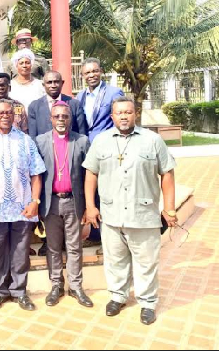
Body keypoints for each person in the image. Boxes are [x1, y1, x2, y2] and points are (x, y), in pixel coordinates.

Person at [82, 97, 177, 325]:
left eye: (128, 112)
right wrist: (90, 206)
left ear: (135, 114)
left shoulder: (152, 140)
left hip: (143, 215)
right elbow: (91, 174)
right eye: (119, 113)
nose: (124, 116)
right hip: (111, 215)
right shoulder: (101, 141)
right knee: (115, 261)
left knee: (146, 262)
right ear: (112, 117)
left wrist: (170, 209)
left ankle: (147, 302)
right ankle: (118, 296)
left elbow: (167, 173)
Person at [0, 99, 46, 311]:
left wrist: (35, 201)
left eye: (9, 112)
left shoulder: (25, 141)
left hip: (22, 208)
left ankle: (19, 291)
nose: (5, 116)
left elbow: (36, 174)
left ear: (14, 116)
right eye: (0, 113)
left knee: (20, 252)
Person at [35, 101, 93, 308]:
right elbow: (35, 175)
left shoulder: (82, 141)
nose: (61, 120)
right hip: (51, 203)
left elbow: (90, 174)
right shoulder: (40, 141)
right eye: (57, 116)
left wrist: (89, 206)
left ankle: (76, 286)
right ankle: (56, 286)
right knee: (52, 247)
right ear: (51, 119)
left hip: (73, 202)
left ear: (70, 119)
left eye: (65, 116)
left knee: (74, 247)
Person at [76, 58, 124, 247]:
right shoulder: (79, 96)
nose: (91, 75)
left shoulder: (113, 93)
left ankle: (113, 234)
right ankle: (96, 235)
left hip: (107, 149)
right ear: (82, 76)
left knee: (109, 189)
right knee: (93, 190)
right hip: (87, 151)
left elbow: (118, 121)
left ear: (101, 71)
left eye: (95, 71)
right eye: (87, 72)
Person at [28, 70, 87, 138]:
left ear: (62, 83)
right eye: (49, 82)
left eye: (56, 82)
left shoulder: (75, 104)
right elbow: (33, 136)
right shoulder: (34, 107)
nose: (53, 85)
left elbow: (82, 134)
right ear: (43, 85)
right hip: (43, 148)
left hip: (70, 146)